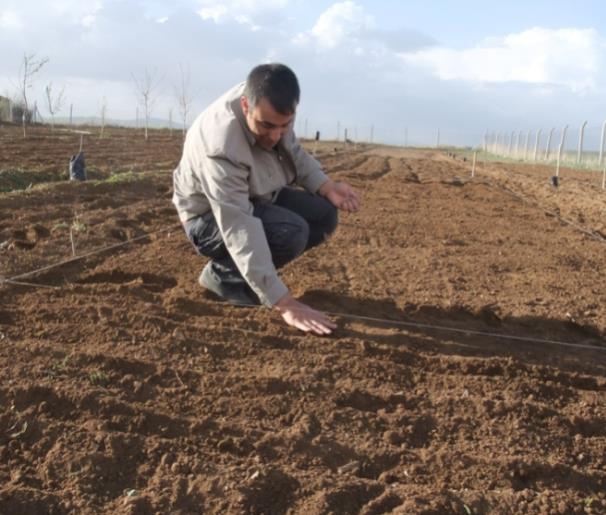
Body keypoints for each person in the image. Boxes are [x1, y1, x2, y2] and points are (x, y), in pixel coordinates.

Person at [172, 63, 359, 335]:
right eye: (267, 126)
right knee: (291, 231)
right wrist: (284, 303)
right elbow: (238, 224)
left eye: (284, 126)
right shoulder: (221, 146)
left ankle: (243, 275)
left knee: (323, 214)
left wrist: (326, 185)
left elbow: (291, 150)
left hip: (256, 193)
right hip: (207, 217)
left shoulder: (272, 106)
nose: (275, 135)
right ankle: (223, 277)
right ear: (246, 105)